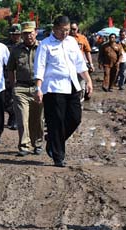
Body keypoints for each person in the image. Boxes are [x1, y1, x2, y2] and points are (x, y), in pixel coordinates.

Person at [34, 16, 93, 167]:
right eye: (63, 30)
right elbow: (39, 68)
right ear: (54, 29)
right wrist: (38, 88)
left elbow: (80, 64)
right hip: (54, 88)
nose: (66, 33)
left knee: (75, 118)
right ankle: (58, 156)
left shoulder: (72, 42)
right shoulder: (45, 45)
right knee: (56, 122)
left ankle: (53, 141)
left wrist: (88, 81)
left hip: (72, 85)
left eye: (68, 30)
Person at [7, 21, 43, 156]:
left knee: (37, 119)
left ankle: (38, 143)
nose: (28, 36)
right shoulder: (16, 50)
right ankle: (24, 146)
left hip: (37, 88)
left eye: (31, 33)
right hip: (21, 87)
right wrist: (13, 86)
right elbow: (10, 69)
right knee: (22, 119)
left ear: (36, 32)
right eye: (25, 33)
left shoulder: (43, 48)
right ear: (22, 34)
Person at [3, 24, 22, 130]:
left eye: (17, 34)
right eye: (14, 34)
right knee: (5, 100)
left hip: (19, 75)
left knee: (16, 98)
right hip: (6, 75)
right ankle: (11, 115)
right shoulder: (5, 46)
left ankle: (15, 119)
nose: (16, 37)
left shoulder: (23, 46)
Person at [69, 22, 93, 100]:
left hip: (80, 65)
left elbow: (87, 51)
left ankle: (80, 100)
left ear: (77, 29)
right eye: (71, 29)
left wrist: (91, 63)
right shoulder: (65, 39)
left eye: (74, 29)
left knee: (81, 84)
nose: (72, 31)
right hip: (69, 66)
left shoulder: (82, 38)